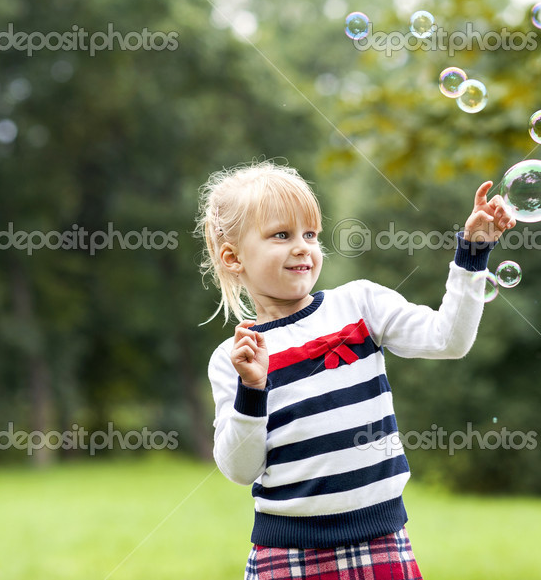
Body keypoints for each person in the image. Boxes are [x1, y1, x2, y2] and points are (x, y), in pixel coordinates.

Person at [196, 160, 514, 580]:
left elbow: (448, 340)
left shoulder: (360, 305)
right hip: (287, 554)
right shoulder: (235, 357)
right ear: (233, 257)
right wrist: (252, 389)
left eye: (310, 234)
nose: (302, 247)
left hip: (380, 543)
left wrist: (473, 252)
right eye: (281, 235)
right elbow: (240, 469)